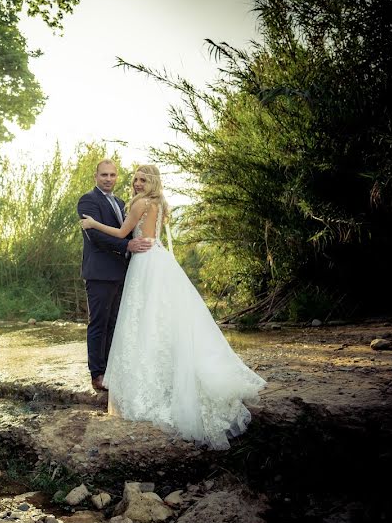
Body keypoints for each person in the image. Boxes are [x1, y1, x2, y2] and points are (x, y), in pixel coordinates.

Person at [80, 164, 265, 449]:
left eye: (142, 180)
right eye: (135, 179)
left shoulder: (138, 203)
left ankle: (144, 377)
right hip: (156, 259)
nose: (137, 183)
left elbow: (120, 234)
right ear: (98, 177)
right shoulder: (158, 203)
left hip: (143, 263)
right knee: (157, 318)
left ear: (151, 182)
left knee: (144, 319)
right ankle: (107, 373)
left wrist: (93, 224)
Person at [78, 159, 154, 393]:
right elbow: (96, 237)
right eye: (104, 175)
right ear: (96, 176)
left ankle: (111, 370)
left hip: (123, 272)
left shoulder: (122, 202)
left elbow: (132, 228)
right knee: (99, 323)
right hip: (100, 272)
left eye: (112, 175)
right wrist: (126, 246)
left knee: (115, 323)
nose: (108, 179)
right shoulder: (88, 201)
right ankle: (97, 374)